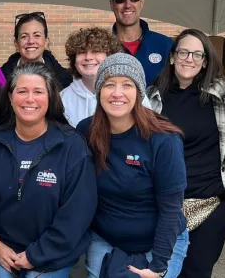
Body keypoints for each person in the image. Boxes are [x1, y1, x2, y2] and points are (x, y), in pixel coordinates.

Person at [0, 62, 98, 278]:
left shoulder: (72, 145)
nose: (30, 99)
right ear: (10, 97)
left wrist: (34, 255)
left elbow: (77, 213)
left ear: (50, 98)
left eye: (38, 92)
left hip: (54, 255)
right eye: (22, 91)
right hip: (2, 249)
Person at [76, 53, 189, 278]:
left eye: (127, 85)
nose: (117, 93)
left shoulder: (163, 140)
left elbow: (170, 210)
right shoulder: (86, 131)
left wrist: (158, 267)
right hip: (105, 238)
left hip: (158, 243)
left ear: (138, 92)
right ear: (99, 91)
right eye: (109, 84)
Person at [146, 28, 225, 278]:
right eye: (183, 52)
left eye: (197, 54)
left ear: (205, 61)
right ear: (172, 57)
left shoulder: (222, 94)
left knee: (196, 272)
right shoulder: (151, 96)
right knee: (162, 271)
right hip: (164, 205)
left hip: (210, 202)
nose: (189, 59)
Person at [109, 0, 173, 85]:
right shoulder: (101, 48)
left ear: (142, 2)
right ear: (112, 5)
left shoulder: (166, 45)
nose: (127, 5)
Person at [61, 27, 128, 127]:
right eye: (82, 52)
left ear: (110, 56)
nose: (88, 57)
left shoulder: (129, 92)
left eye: (96, 51)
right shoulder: (62, 99)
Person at [0, 12, 72, 89]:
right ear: (16, 43)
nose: (31, 41)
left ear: (46, 41)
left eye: (37, 35)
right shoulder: (0, 78)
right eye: (24, 36)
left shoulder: (64, 80)